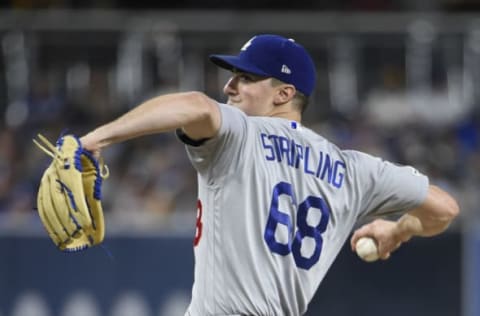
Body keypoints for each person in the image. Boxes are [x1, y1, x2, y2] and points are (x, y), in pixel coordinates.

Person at [79, 34, 459, 316]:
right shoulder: (354, 169)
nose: (229, 86)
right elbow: (444, 208)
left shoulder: (241, 135)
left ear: (284, 93)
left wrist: (96, 139)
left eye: (245, 77)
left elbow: (193, 105)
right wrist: (397, 230)